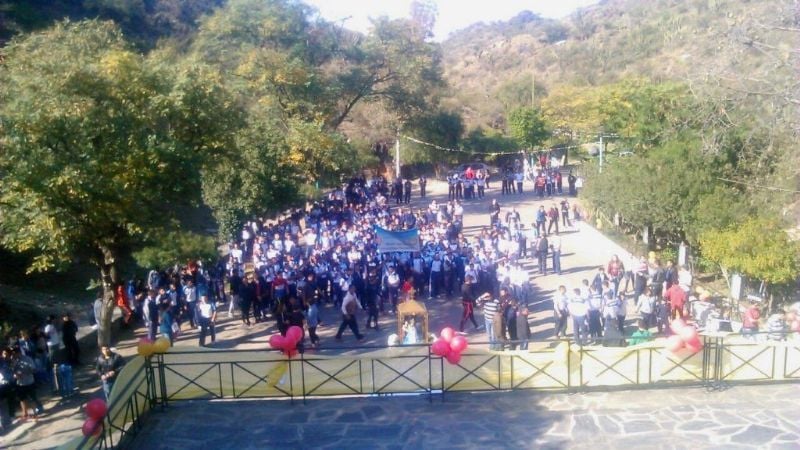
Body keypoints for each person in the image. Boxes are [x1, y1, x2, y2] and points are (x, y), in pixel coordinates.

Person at [11, 347, 43, 420]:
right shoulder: (14, 361)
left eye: (15, 353)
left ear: (18, 353)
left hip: (29, 382)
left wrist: (24, 373)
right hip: (20, 383)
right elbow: (12, 371)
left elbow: (34, 369)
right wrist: (15, 374)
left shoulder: (27, 359)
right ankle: (25, 413)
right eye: (13, 354)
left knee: (32, 398)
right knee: (22, 399)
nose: (14, 355)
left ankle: (35, 413)